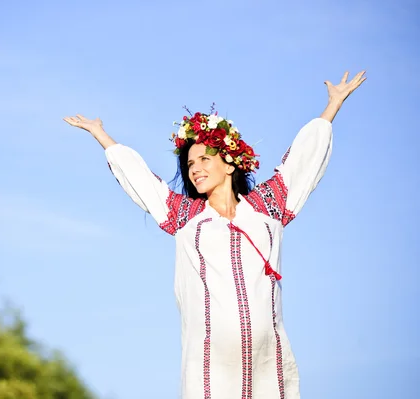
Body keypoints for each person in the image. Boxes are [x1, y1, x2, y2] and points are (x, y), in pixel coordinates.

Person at [63, 71, 366, 399]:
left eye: (205, 159)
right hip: (209, 366)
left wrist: (332, 106)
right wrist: (101, 135)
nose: (194, 169)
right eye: (190, 163)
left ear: (231, 164)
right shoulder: (185, 217)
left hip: (267, 362)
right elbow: (143, 182)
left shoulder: (269, 207)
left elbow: (303, 162)